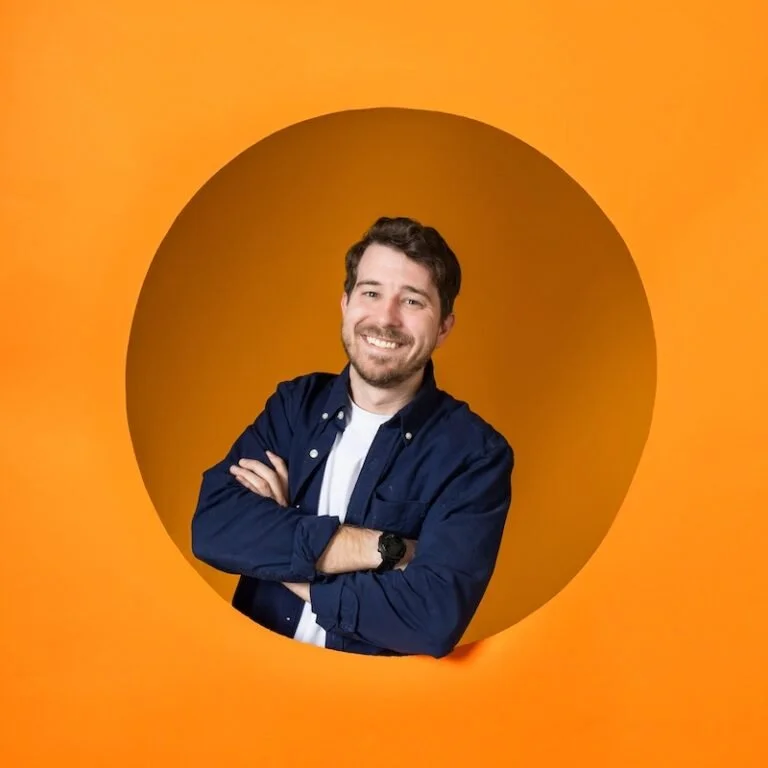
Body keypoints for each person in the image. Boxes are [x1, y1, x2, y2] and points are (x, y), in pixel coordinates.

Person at [191, 216, 514, 658]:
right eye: (371, 293)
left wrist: (279, 545)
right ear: (345, 303)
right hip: (251, 682)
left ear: (443, 327)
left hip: (369, 712)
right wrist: (384, 550)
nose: (386, 318)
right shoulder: (294, 405)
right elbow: (214, 529)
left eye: (413, 301)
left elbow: (431, 621)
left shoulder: (474, 456)